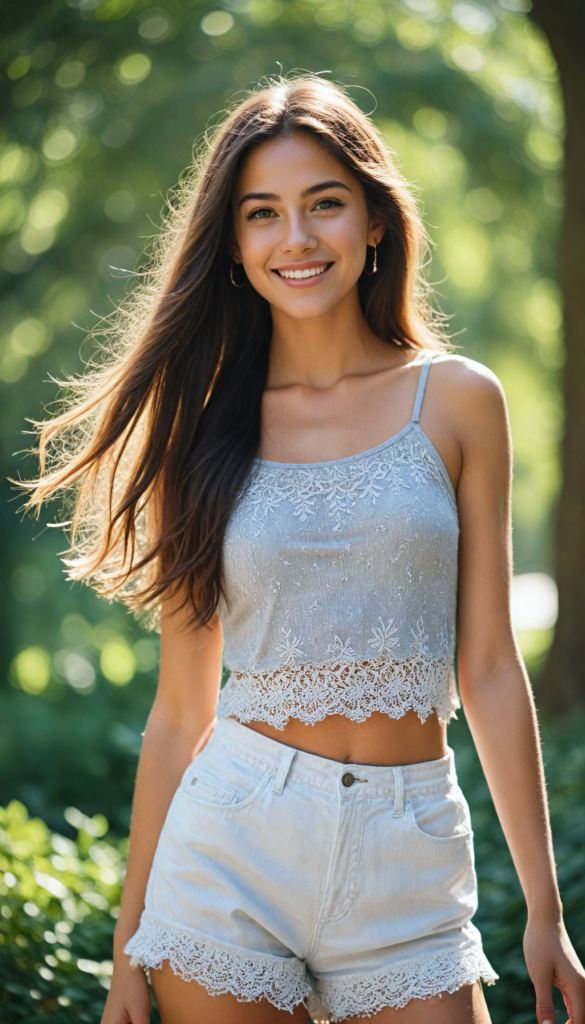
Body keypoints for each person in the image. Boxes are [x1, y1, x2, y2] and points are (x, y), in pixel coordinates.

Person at [24, 75, 584, 1024]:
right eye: (262, 214)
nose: (296, 238)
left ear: (373, 220)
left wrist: (544, 912)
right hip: (233, 845)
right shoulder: (199, 429)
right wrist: (129, 950)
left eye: (324, 203)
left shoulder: (455, 401)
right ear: (234, 246)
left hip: (410, 848)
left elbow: (488, 667)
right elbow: (178, 715)